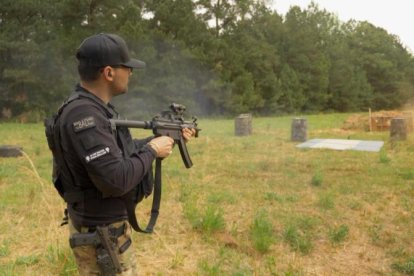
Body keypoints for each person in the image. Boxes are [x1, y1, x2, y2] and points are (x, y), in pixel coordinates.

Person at [47, 33, 196, 275]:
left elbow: (115, 154)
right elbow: (116, 179)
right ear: (108, 73)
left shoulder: (90, 109)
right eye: (126, 67)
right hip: (103, 236)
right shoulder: (86, 117)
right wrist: (152, 150)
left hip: (101, 230)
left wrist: (160, 140)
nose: (131, 73)